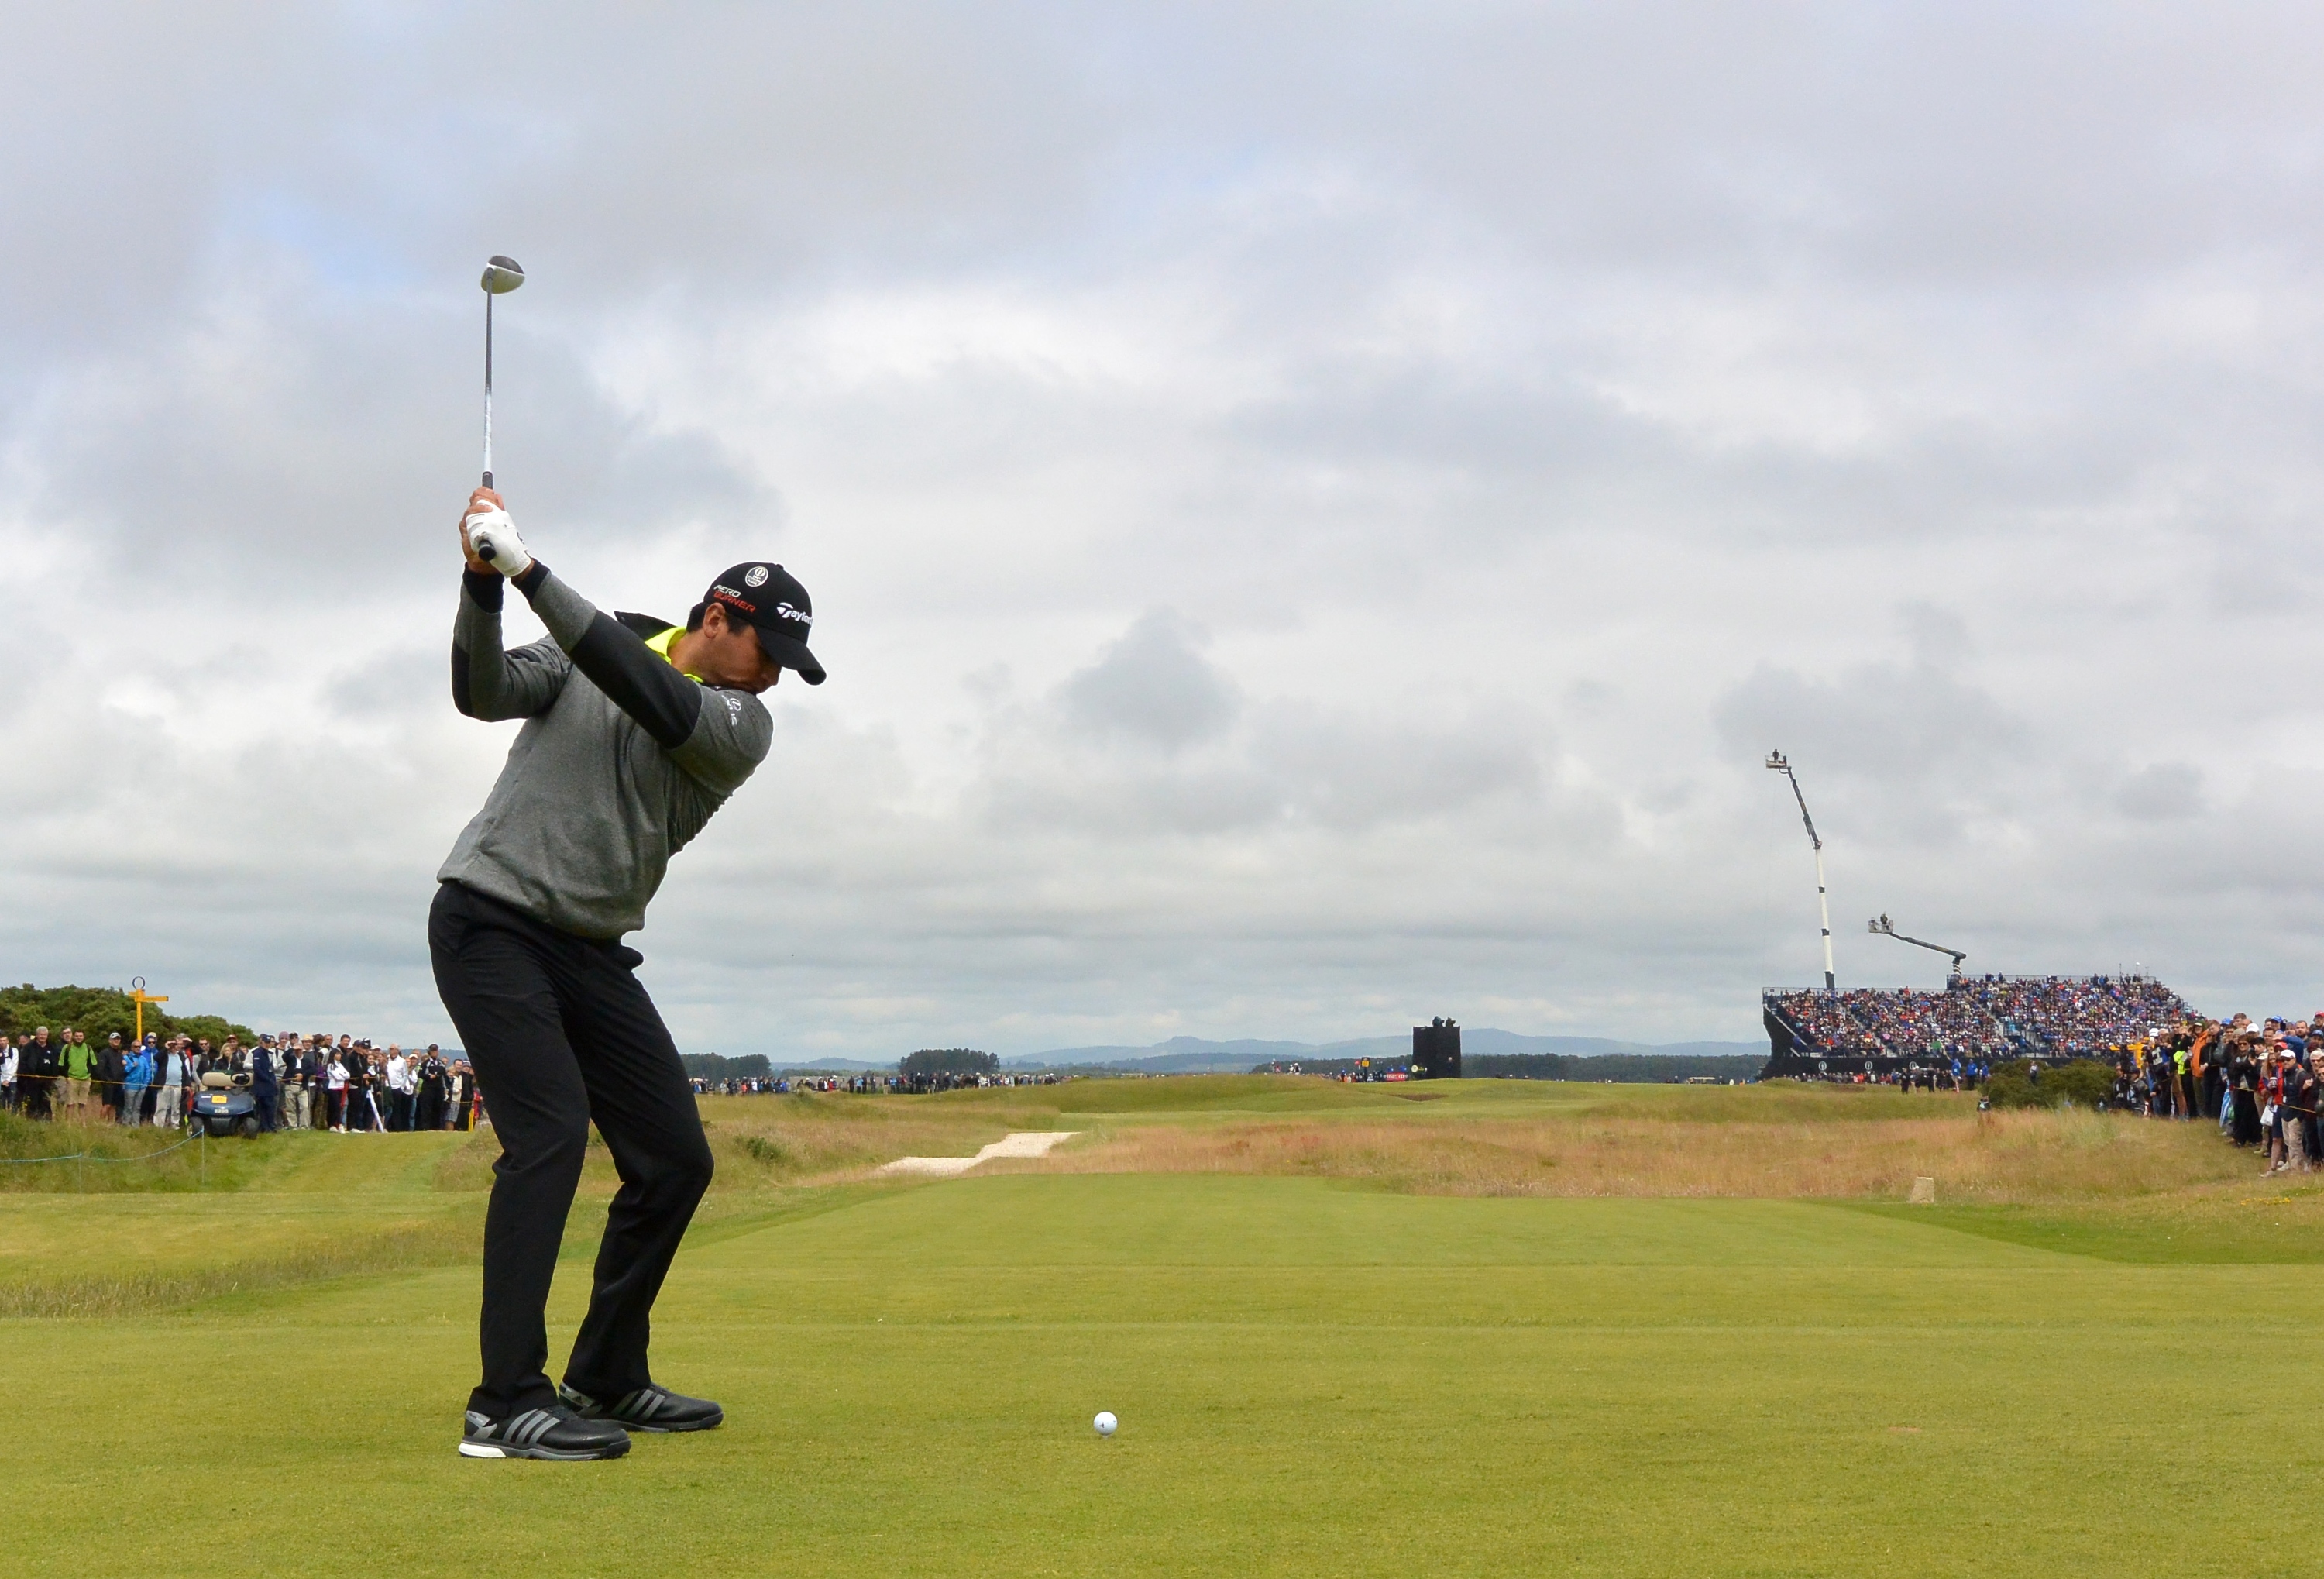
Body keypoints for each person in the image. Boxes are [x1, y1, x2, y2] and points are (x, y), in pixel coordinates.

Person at [431, 488, 820, 1460]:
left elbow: (641, 687)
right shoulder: (588, 645)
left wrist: (527, 570)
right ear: (717, 616)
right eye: (767, 651)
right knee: (550, 1137)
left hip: (591, 950)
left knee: (674, 1160)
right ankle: (504, 1401)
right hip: (490, 921)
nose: (772, 677)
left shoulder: (739, 726)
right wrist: (483, 589)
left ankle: (604, 1372)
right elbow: (481, 695)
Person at [60, 1029, 95, 1121]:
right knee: (70, 1103)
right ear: (74, 1037)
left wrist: (90, 1075)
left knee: (82, 1104)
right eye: (77, 1036)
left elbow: (93, 1063)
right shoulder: (67, 1048)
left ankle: (83, 1124)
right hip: (72, 1079)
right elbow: (61, 1063)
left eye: (81, 1036)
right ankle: (68, 1125)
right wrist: (67, 1077)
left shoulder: (88, 1047)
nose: (79, 1038)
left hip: (85, 1079)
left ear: (84, 1037)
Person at [153, 1037, 186, 1130]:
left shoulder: (181, 1056)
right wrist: (166, 1047)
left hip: (177, 1085)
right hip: (165, 1085)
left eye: (174, 1045)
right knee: (162, 1107)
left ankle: (175, 1125)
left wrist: (186, 1083)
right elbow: (156, 1058)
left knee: (175, 1108)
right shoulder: (164, 1055)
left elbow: (185, 1070)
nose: (173, 1047)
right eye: (171, 1045)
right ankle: (159, 1126)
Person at [120, 1035, 151, 1128]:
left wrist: (145, 1084)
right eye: (136, 1047)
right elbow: (124, 1071)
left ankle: (135, 1126)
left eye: (139, 1047)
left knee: (137, 1108)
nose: (138, 1048)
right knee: (128, 1107)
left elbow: (148, 1071)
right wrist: (132, 1066)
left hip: (141, 1087)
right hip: (130, 1086)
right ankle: (126, 1124)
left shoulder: (143, 1059)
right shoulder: (127, 1058)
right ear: (132, 1048)